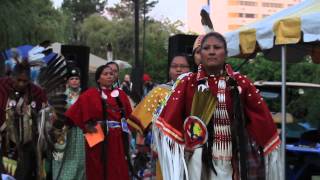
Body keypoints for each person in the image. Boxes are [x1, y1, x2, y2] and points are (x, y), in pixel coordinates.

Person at [154, 32, 281, 180]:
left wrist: (260, 141)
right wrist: (184, 145)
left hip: (233, 157)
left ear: (226, 53)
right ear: (200, 53)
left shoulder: (240, 83)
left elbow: (262, 120)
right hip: (196, 160)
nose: (212, 51)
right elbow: (170, 121)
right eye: (206, 48)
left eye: (217, 47)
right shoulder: (188, 83)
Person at [65, 64, 136, 180]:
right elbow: (73, 113)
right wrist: (87, 126)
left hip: (117, 139)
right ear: (98, 78)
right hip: (97, 137)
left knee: (117, 169)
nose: (109, 76)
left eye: (111, 74)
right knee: (97, 169)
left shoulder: (121, 95)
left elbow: (130, 117)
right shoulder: (90, 94)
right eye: (105, 74)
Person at [129, 53, 191, 179]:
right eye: (174, 66)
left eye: (183, 66)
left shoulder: (197, 90)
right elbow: (140, 119)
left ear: (190, 69)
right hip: (166, 150)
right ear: (169, 70)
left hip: (192, 147)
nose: (178, 69)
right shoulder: (159, 91)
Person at [0, 60, 47, 179]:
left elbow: (44, 116)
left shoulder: (37, 92)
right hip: (3, 143)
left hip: (26, 147)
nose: (21, 84)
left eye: (25, 81)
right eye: (18, 80)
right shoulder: (2, 87)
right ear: (12, 77)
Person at [52, 67, 85, 180]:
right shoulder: (62, 96)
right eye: (72, 78)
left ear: (80, 81)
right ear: (68, 81)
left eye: (77, 78)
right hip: (66, 133)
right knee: (64, 159)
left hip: (81, 133)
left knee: (81, 160)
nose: (75, 81)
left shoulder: (85, 95)